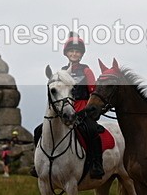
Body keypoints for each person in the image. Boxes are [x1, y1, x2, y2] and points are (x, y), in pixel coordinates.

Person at [32, 32, 104, 179]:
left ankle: (97, 165)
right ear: (66, 53)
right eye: (71, 51)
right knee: (38, 130)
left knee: (91, 131)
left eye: (77, 51)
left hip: (83, 110)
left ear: (81, 54)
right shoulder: (62, 72)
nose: (74, 53)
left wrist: (88, 111)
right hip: (66, 111)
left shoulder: (86, 71)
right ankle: (37, 164)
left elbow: (93, 91)